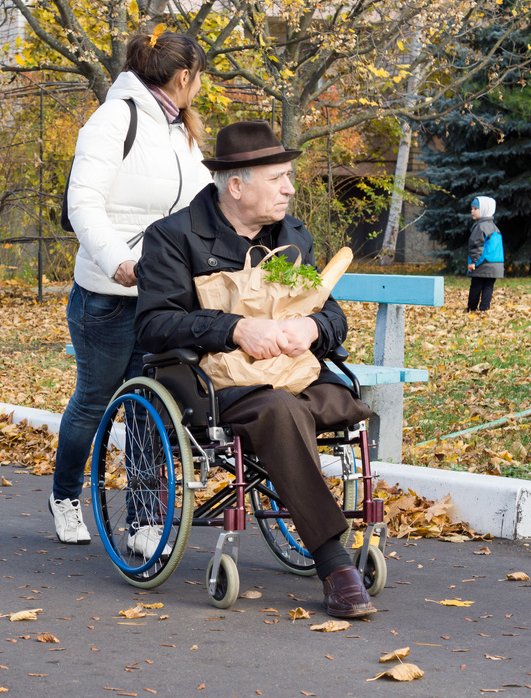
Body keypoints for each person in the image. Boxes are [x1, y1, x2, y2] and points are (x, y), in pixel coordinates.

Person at [134, 121, 377, 618]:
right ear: (238, 186)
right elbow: (155, 325)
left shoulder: (291, 236)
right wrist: (235, 329)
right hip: (216, 384)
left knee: (346, 405)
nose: (290, 188)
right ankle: (334, 561)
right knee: (283, 415)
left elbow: (333, 312)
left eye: (289, 176)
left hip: (294, 371)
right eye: (278, 178)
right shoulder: (174, 237)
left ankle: (316, 508)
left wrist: (312, 328)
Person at [50, 31, 212, 548]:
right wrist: (118, 260)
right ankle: (65, 495)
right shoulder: (114, 119)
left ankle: (144, 519)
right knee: (96, 400)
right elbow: (84, 203)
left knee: (153, 404)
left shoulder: (180, 131)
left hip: (162, 297)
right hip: (106, 295)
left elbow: (204, 201)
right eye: (199, 76)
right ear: (184, 76)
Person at [466, 196, 504, 312]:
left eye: (475, 208)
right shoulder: (494, 227)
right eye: (472, 208)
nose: (472, 211)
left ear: (484, 210)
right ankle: (484, 309)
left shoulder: (480, 226)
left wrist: (473, 262)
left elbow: (476, 245)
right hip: (496, 263)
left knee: (476, 286)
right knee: (488, 286)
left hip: (483, 262)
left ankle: (471, 309)